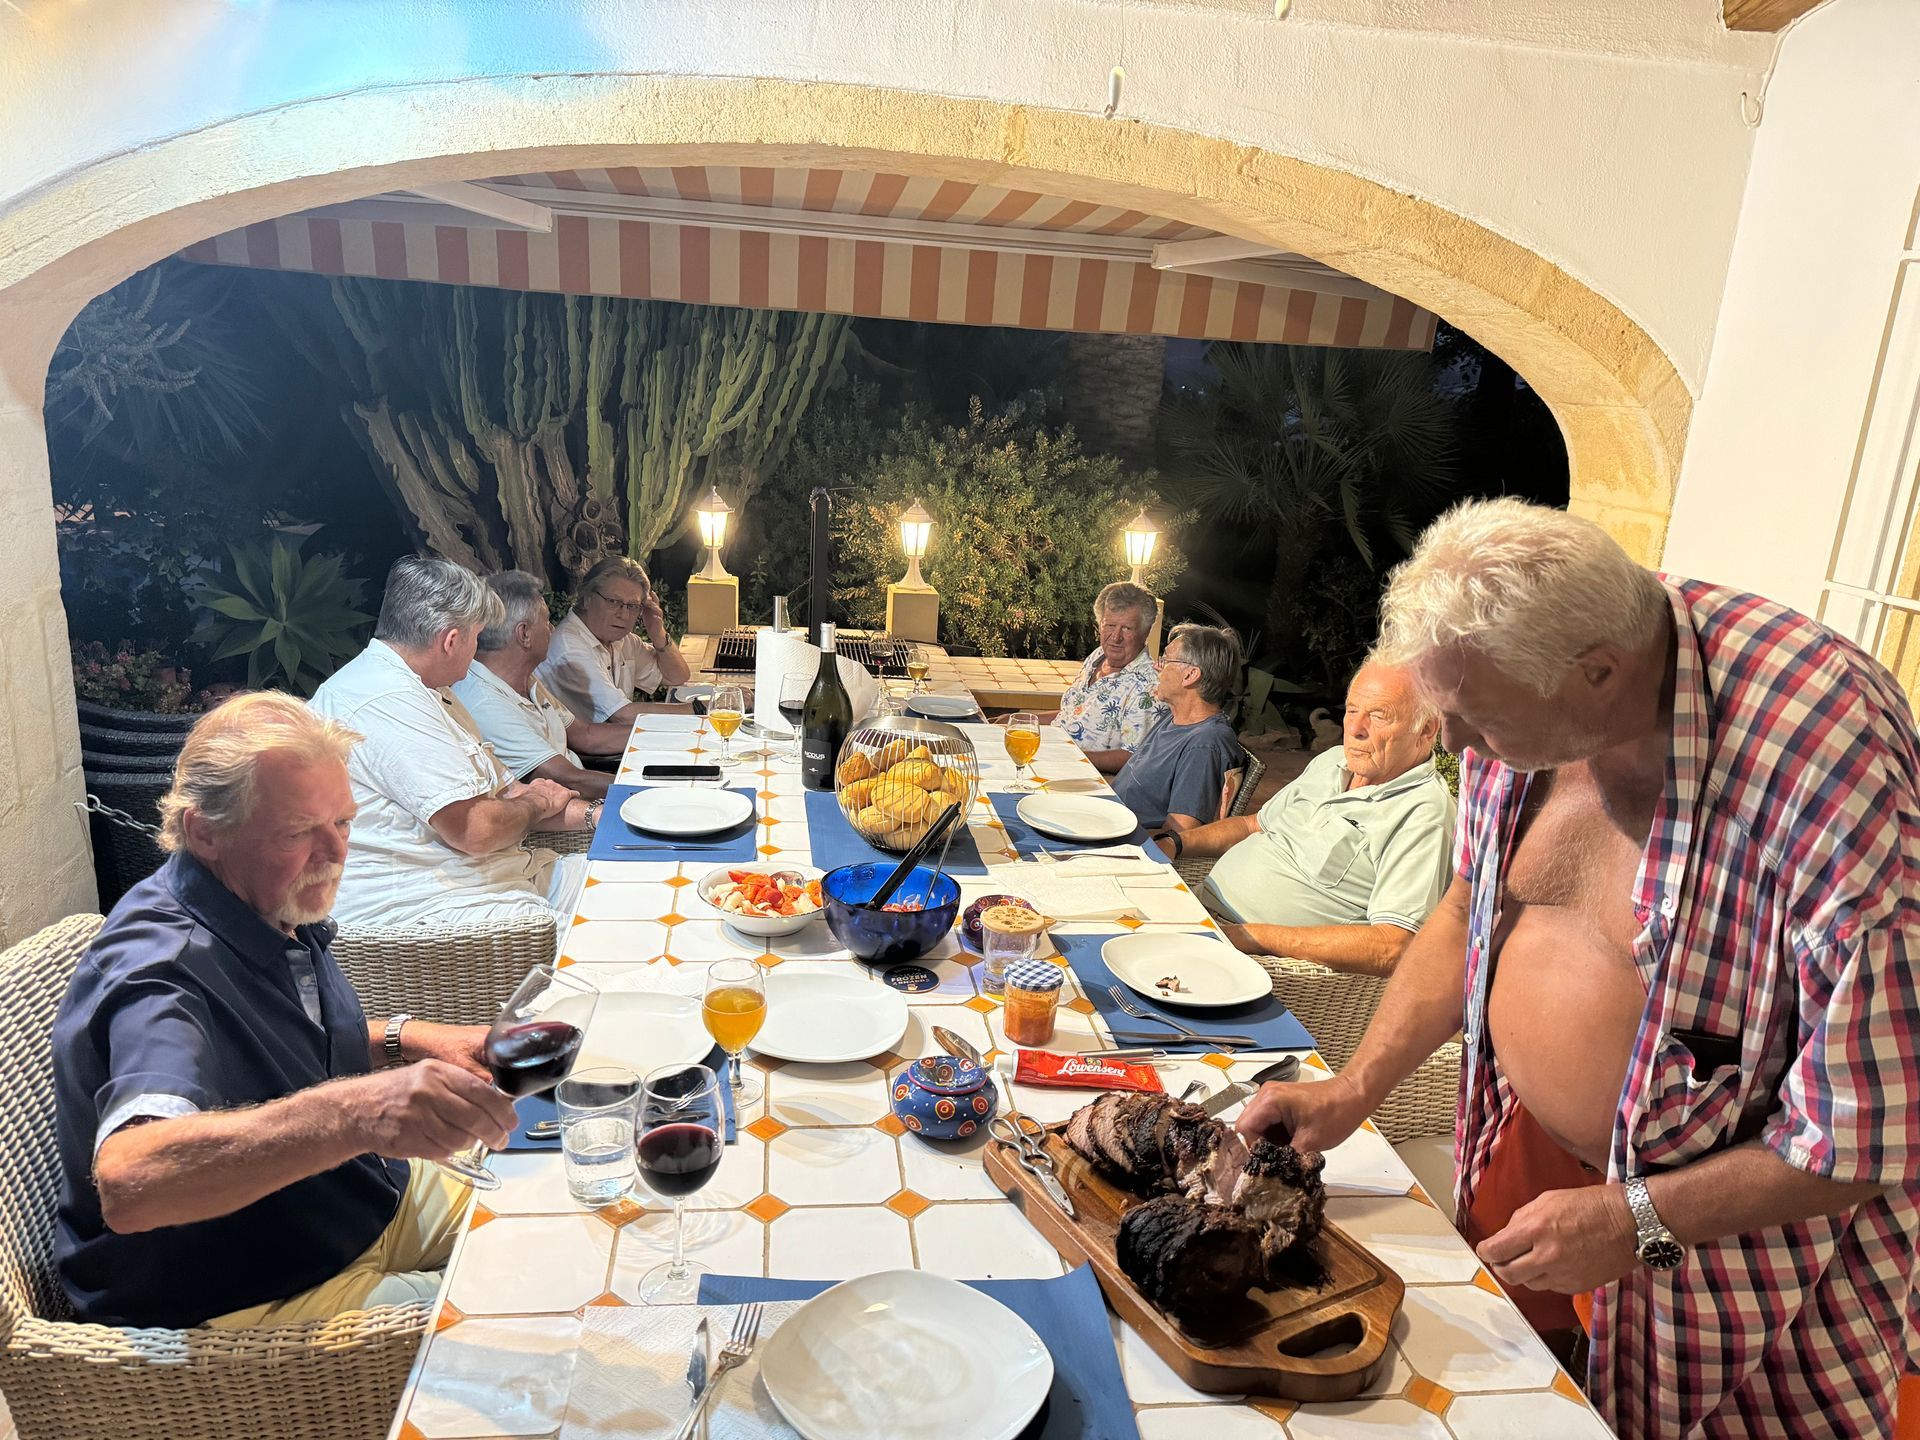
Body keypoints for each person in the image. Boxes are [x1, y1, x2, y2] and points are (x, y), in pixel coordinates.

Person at [1237, 498, 1920, 1438]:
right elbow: (1471, 907)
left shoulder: (1829, 758)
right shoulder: (1522, 675)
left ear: (1599, 673)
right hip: (1527, 1162)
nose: (1458, 749)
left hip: (1725, 1253)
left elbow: (1872, 1128)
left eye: (1478, 724)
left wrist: (1637, 1219)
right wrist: (1356, 1088)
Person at [52, 693, 516, 1329]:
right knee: (524, 1310)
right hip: (250, 1286)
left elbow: (270, 1039)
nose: (336, 852)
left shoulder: (263, 903)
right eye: (298, 832)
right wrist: (356, 1114)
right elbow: (134, 1182)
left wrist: (407, 1039)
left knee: (555, 1216)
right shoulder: (161, 973)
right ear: (204, 832)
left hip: (354, 1202)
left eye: (343, 823)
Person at [310, 556, 597, 929]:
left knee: (635, 886)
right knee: (622, 939)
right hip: (433, 908)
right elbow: (476, 830)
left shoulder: (429, 689)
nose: (478, 651)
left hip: (498, 878)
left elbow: (509, 792)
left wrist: (597, 816)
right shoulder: (386, 699)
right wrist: (537, 802)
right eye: (476, 637)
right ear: (451, 640)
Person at [1157, 660, 1452, 977]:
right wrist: (1174, 842)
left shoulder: (1423, 812)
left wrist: (1251, 937)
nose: (1355, 729)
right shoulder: (1332, 761)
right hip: (1199, 910)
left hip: (1254, 964)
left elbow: (1392, 945)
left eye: (1379, 715)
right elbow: (1251, 825)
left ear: (1426, 729)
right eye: (1352, 710)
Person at [454, 570, 633, 801]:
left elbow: (585, 735)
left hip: (582, 793)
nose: (552, 629)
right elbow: (567, 779)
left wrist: (662, 732)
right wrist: (653, 790)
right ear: (524, 634)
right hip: (573, 809)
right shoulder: (486, 704)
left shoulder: (524, 679)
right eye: (547, 621)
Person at [1109, 623, 1246, 832]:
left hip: (1122, 839)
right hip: (1109, 817)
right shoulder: (1173, 718)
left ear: (1190, 675)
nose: (1156, 667)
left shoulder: (1204, 745)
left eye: (1165, 660)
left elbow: (1178, 834)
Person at [536, 556, 692, 725]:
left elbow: (676, 676)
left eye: (632, 606)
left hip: (614, 737)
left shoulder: (621, 640)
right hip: (577, 742)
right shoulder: (570, 648)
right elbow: (622, 715)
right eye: (613, 602)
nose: (624, 615)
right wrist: (700, 709)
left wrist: (658, 633)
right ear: (588, 598)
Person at [1051, 581, 1164, 774]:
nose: (1116, 637)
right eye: (1110, 625)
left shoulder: (1149, 686)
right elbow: (1072, 714)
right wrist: (1019, 721)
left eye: (1127, 628)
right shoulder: (1097, 656)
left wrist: (1071, 757)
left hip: (1088, 777)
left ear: (1145, 632)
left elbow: (1134, 756)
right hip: (1054, 757)